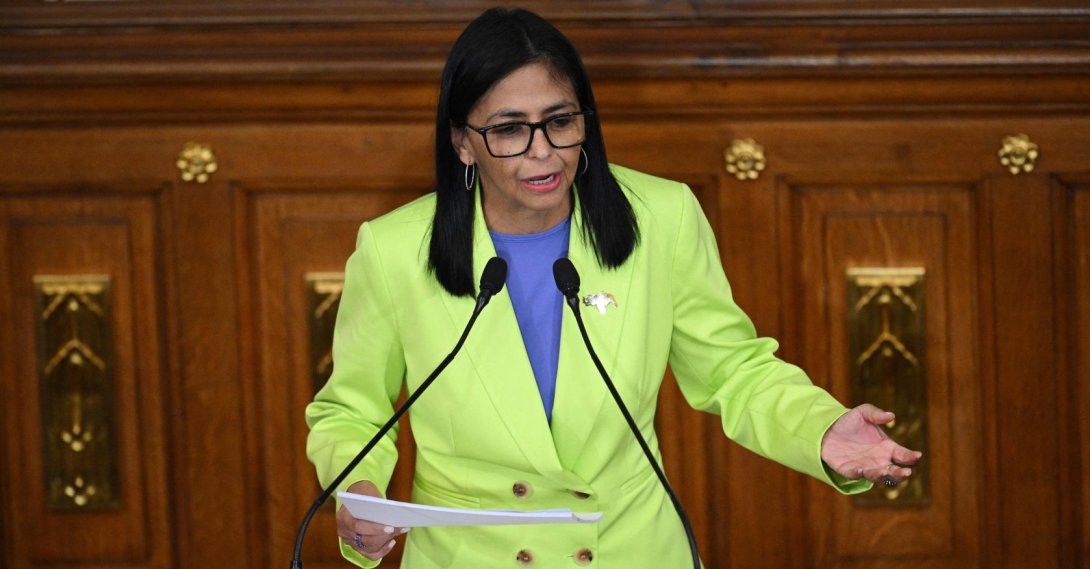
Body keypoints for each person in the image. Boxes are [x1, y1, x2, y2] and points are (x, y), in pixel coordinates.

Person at [305, 7, 922, 568]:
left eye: (559, 121)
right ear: (464, 141)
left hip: (632, 549)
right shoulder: (391, 250)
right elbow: (351, 411)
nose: (541, 153)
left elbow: (733, 370)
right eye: (509, 129)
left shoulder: (662, 217)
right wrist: (360, 493)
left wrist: (820, 428)